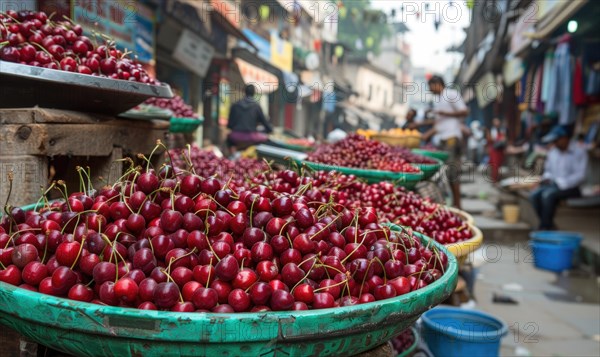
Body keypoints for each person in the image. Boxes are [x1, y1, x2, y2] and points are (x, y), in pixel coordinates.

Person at [414, 76, 469, 209]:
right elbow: (439, 124)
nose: (430, 89)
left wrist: (445, 113)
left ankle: (458, 205)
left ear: (438, 84)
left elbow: (465, 111)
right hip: (442, 140)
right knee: (446, 174)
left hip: (451, 139)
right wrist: (424, 131)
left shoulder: (451, 94)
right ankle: (452, 204)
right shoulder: (438, 100)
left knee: (452, 173)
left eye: (430, 86)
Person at [529, 126, 588, 230]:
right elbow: (549, 171)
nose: (555, 143)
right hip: (554, 185)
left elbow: (580, 175)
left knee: (547, 195)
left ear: (565, 138)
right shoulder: (553, 152)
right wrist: (545, 179)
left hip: (572, 188)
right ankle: (548, 224)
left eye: (556, 140)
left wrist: (560, 183)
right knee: (534, 195)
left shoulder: (579, 152)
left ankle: (544, 227)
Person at [226, 84, 273, 153]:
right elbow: (265, 124)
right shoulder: (256, 106)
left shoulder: (235, 105)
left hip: (235, 137)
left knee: (228, 138)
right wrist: (269, 130)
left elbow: (229, 125)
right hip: (251, 137)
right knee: (267, 140)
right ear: (254, 93)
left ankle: (231, 155)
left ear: (244, 92)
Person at [485, 118, 507, 183]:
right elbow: (490, 140)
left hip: (500, 150)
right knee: (494, 165)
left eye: (497, 121)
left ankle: (496, 179)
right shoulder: (492, 130)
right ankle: (494, 179)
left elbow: (504, 140)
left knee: (498, 165)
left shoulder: (502, 130)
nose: (497, 123)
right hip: (494, 150)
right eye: (495, 121)